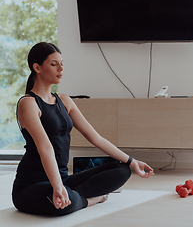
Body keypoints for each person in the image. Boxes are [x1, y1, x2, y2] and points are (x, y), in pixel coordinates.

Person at [12, 42, 154, 216]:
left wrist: (132, 161)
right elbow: (45, 147)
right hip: (32, 185)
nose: (60, 69)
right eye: (53, 64)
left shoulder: (64, 100)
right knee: (59, 204)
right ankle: (89, 200)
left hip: (63, 179)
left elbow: (96, 138)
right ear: (37, 67)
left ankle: (71, 196)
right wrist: (57, 187)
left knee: (122, 169)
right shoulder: (28, 103)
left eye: (62, 64)